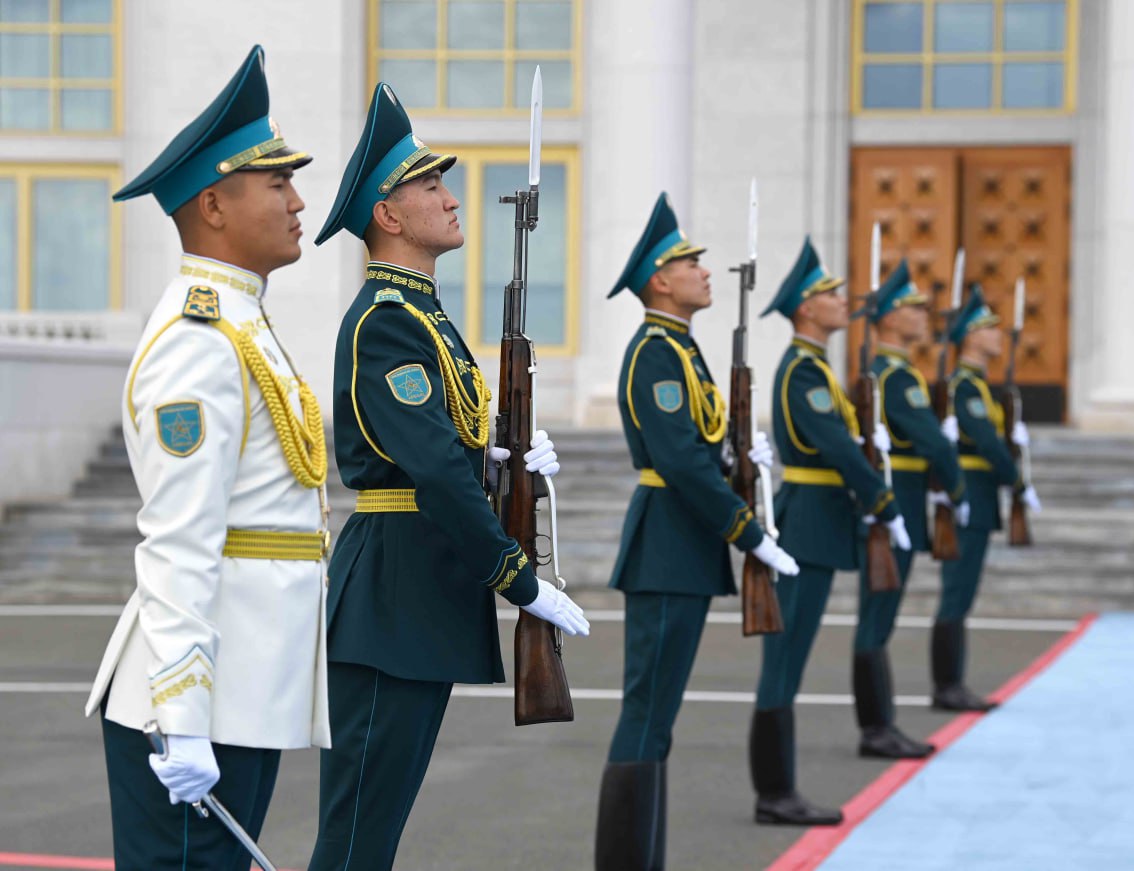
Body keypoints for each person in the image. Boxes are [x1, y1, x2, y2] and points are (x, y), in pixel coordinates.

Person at [307, 83, 589, 871]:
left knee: (375, 834)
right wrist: (518, 578)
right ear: (389, 215)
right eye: (430, 185)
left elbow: (440, 444)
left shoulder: (423, 315)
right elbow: (430, 467)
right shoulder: (387, 321)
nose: (451, 197)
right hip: (392, 596)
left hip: (417, 593)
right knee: (357, 838)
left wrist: (498, 460)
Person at [83, 46, 328, 870]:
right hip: (198, 705)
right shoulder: (198, 340)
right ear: (215, 205)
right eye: (277, 183)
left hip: (244, 691)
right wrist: (183, 716)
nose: (298, 201)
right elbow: (180, 539)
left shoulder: (240, 320)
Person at [594, 193, 799, 870]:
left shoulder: (680, 348)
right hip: (666, 546)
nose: (705, 272)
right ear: (660, 280)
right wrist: (749, 531)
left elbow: (702, 443)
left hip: (682, 545)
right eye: (690, 264)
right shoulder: (656, 353)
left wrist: (741, 459)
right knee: (647, 715)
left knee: (659, 721)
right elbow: (680, 460)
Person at [751, 238, 910, 825]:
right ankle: (775, 793)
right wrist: (882, 500)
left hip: (818, 518)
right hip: (808, 523)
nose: (843, 301)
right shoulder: (804, 371)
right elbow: (838, 448)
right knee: (784, 661)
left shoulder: (814, 367)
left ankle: (778, 789)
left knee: (790, 660)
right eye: (830, 294)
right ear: (805, 308)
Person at [857, 260, 968, 759]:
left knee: (878, 616)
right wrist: (957, 488)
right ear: (887, 318)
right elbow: (933, 445)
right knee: (877, 618)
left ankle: (879, 724)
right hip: (895, 502)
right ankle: (876, 727)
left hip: (895, 499)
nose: (924, 315)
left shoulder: (890, 374)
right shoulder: (898, 379)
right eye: (913, 307)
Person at [933, 284, 1042, 711]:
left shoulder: (976, 385)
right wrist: (1017, 481)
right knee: (956, 594)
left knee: (961, 595)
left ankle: (951, 682)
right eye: (990, 328)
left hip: (978, 497)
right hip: (970, 497)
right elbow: (985, 441)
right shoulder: (965, 387)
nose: (1000, 335)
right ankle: (947, 685)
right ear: (972, 337)